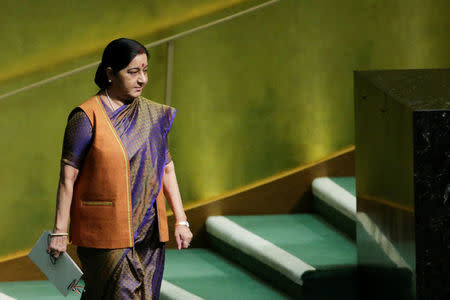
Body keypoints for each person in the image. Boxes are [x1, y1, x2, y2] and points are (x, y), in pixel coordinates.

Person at [47, 38, 193, 299]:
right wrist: (60, 231)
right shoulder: (86, 117)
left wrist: (181, 220)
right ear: (110, 74)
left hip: (148, 234)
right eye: (133, 72)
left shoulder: (152, 115)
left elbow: (166, 169)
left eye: (145, 71)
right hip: (105, 234)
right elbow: (68, 177)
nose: (142, 80)